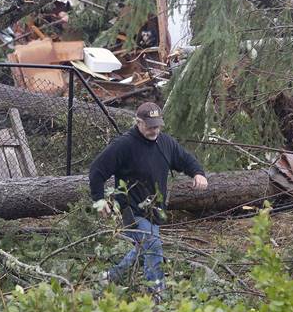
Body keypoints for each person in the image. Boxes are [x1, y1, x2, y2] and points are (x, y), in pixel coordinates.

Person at [89, 102, 208, 298]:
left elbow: (184, 158)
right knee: (153, 246)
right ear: (138, 122)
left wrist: (198, 173)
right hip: (130, 208)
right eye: (150, 126)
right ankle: (156, 294)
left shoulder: (165, 142)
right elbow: (96, 171)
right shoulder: (124, 145)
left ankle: (110, 276)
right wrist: (99, 200)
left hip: (155, 209)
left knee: (143, 248)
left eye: (158, 125)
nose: (155, 130)